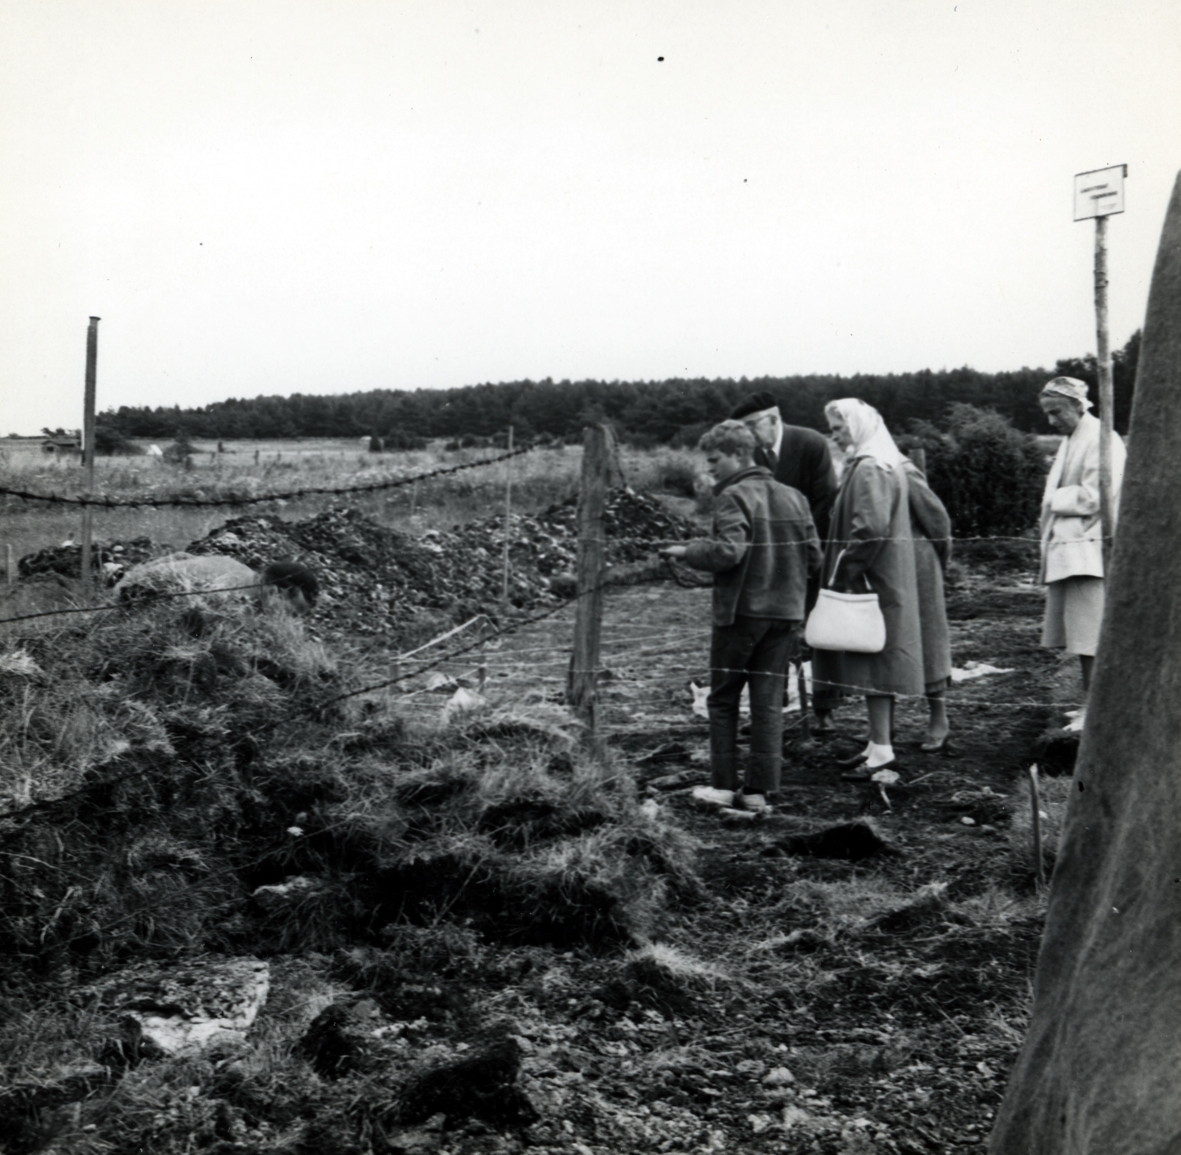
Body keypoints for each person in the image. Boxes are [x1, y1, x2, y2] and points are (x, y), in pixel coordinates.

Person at [662, 420, 822, 812]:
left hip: (741, 614)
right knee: (768, 702)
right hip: (785, 615)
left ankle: (722, 786)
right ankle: (757, 792)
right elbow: (815, 558)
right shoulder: (795, 497)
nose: (710, 467)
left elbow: (727, 553)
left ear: (738, 454)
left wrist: (687, 551)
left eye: (715, 459)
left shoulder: (733, 496)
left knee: (722, 699)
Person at [812, 398, 924, 778]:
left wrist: (843, 571)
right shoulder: (879, 461)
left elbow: (870, 529)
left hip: (872, 579)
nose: (834, 436)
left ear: (858, 426)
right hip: (882, 575)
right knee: (877, 663)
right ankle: (877, 745)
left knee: (876, 663)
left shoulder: (871, 467)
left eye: (839, 428)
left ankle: (882, 751)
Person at [729, 391, 840, 729]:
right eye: (742, 427)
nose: (747, 433)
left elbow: (825, 501)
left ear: (774, 419)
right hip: (765, 559)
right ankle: (769, 710)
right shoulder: (749, 454)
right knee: (767, 634)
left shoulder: (809, 443)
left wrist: (802, 551)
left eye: (752, 425)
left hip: (810, 551)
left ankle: (825, 709)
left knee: (819, 630)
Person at [1037, 376, 1126, 719]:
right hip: (1073, 548)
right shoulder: (1074, 437)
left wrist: (1052, 498)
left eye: (1056, 411)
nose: (1051, 420)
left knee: (1091, 632)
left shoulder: (1102, 438)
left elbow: (1096, 494)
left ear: (1077, 405)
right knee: (1082, 632)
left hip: (1091, 548)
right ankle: (1091, 706)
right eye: (1047, 413)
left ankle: (1096, 710)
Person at [900, 456, 955, 753]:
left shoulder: (905, 471)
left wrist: (935, 564)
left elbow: (938, 523)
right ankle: (882, 727)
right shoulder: (857, 470)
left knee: (928, 639)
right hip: (882, 567)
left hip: (916, 567)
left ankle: (938, 718)